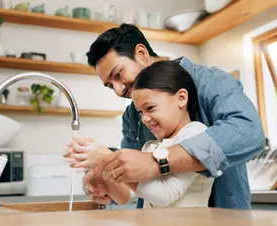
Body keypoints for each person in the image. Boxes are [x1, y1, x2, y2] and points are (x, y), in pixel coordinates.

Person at [66, 23, 265, 209]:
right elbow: (132, 186)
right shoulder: (132, 116)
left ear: (142, 53)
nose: (118, 91)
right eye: (110, 86)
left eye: (118, 75)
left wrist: (156, 161)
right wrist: (105, 181)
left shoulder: (211, 82)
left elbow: (248, 133)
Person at [65, 60, 215, 208]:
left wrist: (106, 157)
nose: (144, 119)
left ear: (181, 98)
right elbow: (129, 196)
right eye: (140, 112)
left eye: (150, 108)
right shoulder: (150, 147)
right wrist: (103, 172)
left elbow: (166, 195)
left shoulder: (195, 133)